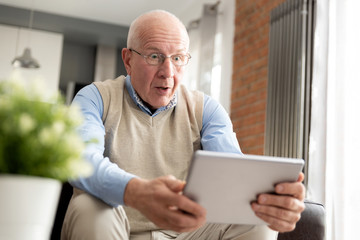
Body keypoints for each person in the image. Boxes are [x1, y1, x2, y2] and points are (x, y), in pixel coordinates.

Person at [61, 9, 305, 240]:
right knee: (88, 205)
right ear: (128, 60)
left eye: (177, 58)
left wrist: (273, 204)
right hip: (117, 228)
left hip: (187, 234)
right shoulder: (94, 97)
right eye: (154, 56)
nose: (168, 72)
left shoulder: (206, 109)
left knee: (256, 217)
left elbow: (233, 178)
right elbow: (81, 160)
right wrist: (137, 193)